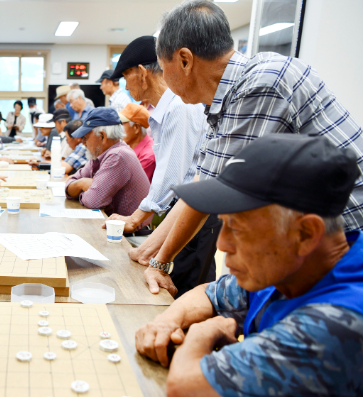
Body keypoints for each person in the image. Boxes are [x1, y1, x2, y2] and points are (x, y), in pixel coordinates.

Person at [136, 134, 362, 397]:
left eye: (237, 228)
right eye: (223, 225)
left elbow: (186, 386)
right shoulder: (292, 266)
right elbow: (210, 293)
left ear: (305, 234)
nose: (223, 245)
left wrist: (204, 332)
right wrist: (166, 322)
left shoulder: (339, 320)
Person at [133, 0, 363, 298]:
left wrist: (160, 262)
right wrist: (152, 252)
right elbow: (199, 182)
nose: (166, 82)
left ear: (185, 60)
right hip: (314, 240)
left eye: (164, 70)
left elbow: (211, 188)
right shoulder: (226, 99)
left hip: (347, 238)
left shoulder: (261, 84)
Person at [106, 35, 212, 297]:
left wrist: (136, 218)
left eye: (126, 77)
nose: (126, 87)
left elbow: (172, 175)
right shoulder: (162, 111)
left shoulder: (179, 107)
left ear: (141, 73)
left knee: (182, 291)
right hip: (179, 210)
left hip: (196, 212)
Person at [65, 108, 151, 224]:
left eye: (85, 138)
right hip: (114, 230)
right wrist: (82, 183)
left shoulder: (118, 155)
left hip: (129, 237)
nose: (83, 143)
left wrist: (82, 188)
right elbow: (70, 184)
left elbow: (93, 201)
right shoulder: (99, 153)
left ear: (102, 136)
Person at [119, 103, 155, 181]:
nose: (118, 129)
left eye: (121, 124)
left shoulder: (147, 157)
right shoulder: (127, 148)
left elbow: (125, 187)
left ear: (136, 128)